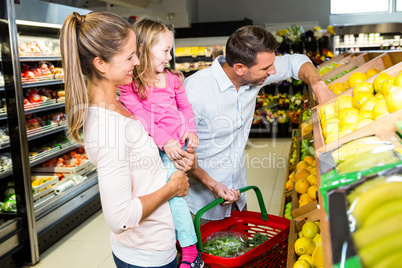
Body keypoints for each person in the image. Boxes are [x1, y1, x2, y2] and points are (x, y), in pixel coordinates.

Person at [60, 11, 195, 268]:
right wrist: (172, 188)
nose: (137, 61)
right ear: (101, 64)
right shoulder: (108, 127)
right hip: (145, 256)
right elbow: (120, 218)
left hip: (156, 243)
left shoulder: (120, 104)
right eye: (130, 56)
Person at [184, 25, 335, 223]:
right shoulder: (194, 91)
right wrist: (212, 185)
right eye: (265, 68)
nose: (272, 72)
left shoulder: (253, 76)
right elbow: (181, 155)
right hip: (202, 205)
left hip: (238, 193)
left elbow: (296, 61)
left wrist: (318, 85)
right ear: (239, 68)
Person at [118, 18, 203, 268]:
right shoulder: (130, 85)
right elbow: (141, 116)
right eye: (165, 50)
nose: (169, 56)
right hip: (152, 149)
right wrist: (164, 140)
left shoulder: (174, 79)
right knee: (157, 201)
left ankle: (189, 250)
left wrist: (190, 129)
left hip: (172, 150)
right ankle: (184, 245)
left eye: (170, 50)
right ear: (143, 49)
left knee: (174, 197)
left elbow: (185, 108)